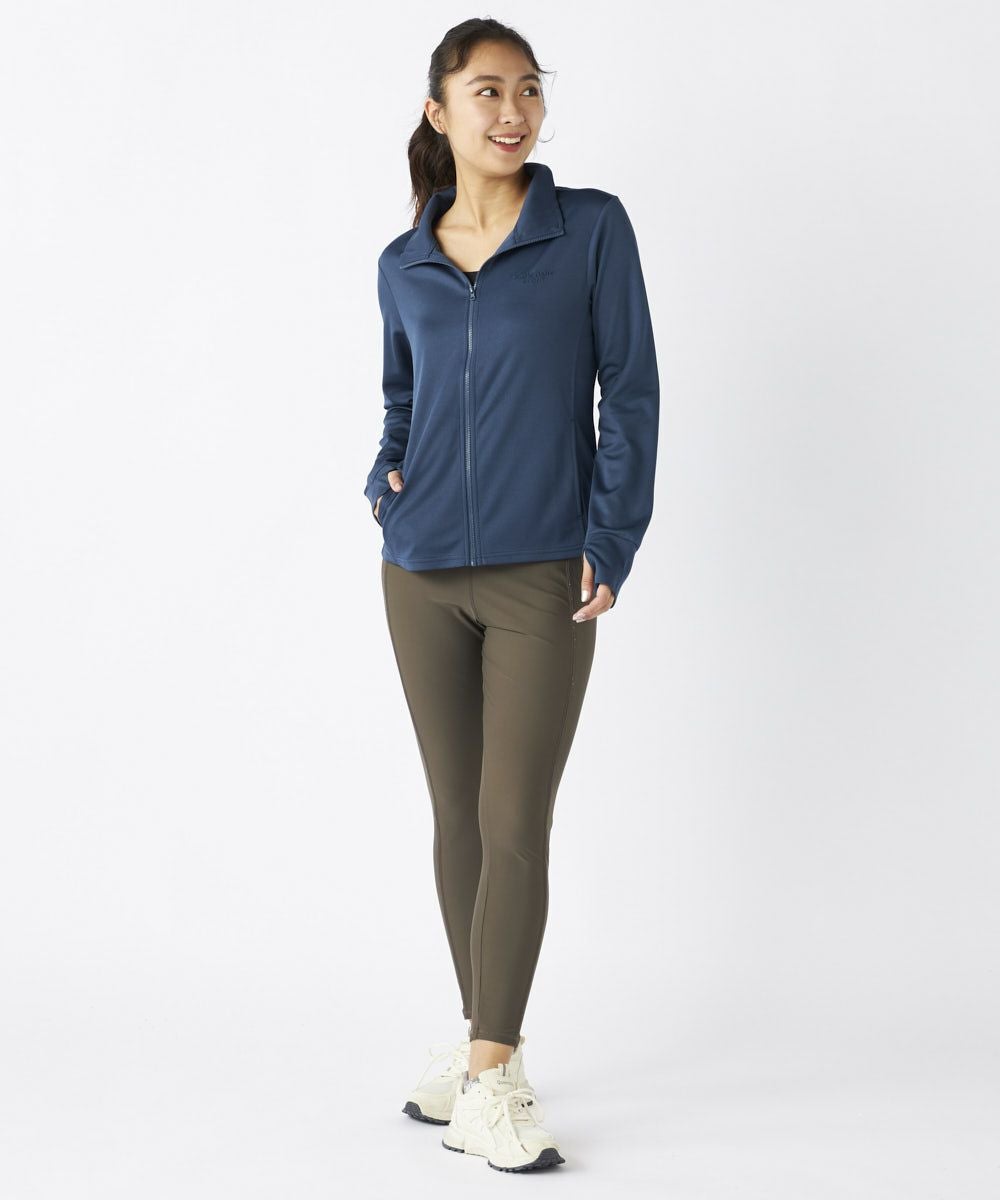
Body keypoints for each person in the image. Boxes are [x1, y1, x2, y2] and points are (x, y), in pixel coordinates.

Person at [364, 18, 659, 1172]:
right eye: (487, 90)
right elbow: (400, 399)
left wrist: (610, 536)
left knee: (513, 818)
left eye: (528, 88)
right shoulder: (404, 262)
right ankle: (490, 1048)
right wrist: (383, 479)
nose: (513, 110)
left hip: (543, 570)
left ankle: (489, 1077)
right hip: (420, 572)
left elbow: (629, 388)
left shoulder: (588, 228)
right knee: (455, 817)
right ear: (439, 111)